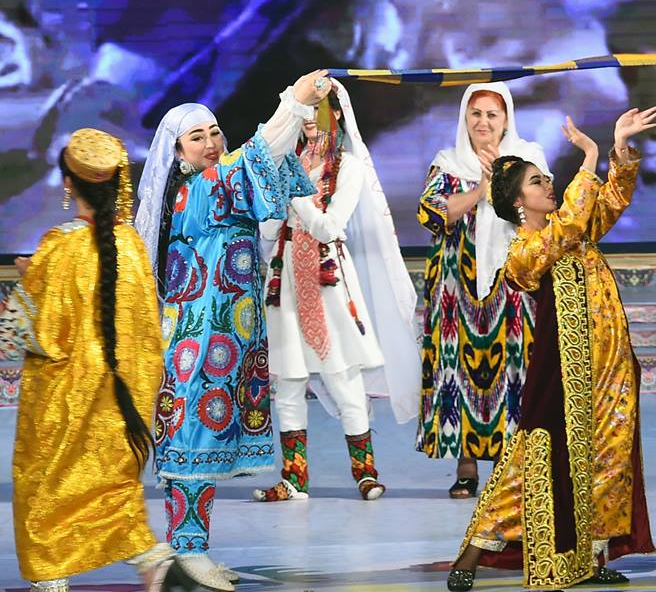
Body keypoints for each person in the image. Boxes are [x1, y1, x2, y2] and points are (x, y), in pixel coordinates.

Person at [446, 107, 656, 591]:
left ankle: (591, 557)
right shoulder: (524, 250)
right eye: (537, 182)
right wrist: (588, 158)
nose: (548, 185)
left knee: (609, 456)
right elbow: (561, 233)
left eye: (547, 179)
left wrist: (618, 148)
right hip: (565, 376)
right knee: (532, 463)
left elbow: (610, 201)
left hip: (609, 365)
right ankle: (472, 552)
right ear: (517, 201)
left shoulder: (576, 227)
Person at [135, 70, 328, 590]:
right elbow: (259, 154)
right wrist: (293, 101)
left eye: (215, 131)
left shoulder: (219, 183)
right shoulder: (196, 190)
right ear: (177, 152)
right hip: (198, 343)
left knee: (203, 441)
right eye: (197, 137)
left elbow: (269, 165)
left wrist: (300, 114)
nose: (211, 142)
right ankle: (187, 552)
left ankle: (191, 549)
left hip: (226, 339)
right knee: (192, 442)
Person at [0, 129, 206, 591]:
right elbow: (146, 328)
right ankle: (151, 560)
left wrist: (30, 277)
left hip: (64, 403)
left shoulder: (58, 247)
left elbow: (19, 334)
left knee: (49, 485)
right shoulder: (129, 244)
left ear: (68, 183)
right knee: (111, 485)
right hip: (122, 396)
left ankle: (52, 575)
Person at [253, 78, 420, 502]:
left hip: (328, 281)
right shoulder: (286, 162)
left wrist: (294, 193)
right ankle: (294, 479)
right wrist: (277, 195)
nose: (310, 118)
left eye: (319, 108)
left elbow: (329, 227)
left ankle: (366, 473)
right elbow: (269, 230)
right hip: (285, 280)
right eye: (306, 108)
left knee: (343, 377)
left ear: (337, 114)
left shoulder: (349, 167)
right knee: (288, 382)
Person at [416, 82, 550, 498]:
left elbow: (542, 215)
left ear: (506, 119)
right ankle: (466, 465)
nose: (483, 122)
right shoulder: (449, 162)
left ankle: (513, 467)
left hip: (513, 282)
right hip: (457, 286)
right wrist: (480, 189)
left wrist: (506, 183)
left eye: (492, 114)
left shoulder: (529, 158)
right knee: (458, 370)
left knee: (516, 368)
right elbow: (431, 212)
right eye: (475, 114)